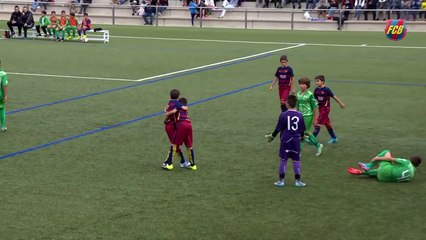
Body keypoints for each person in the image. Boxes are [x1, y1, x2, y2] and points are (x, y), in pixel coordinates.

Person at [265, 95, 306, 187]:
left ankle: (281, 180)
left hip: (285, 140)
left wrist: (272, 136)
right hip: (296, 141)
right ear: (296, 104)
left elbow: (278, 128)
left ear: (287, 103)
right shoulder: (300, 115)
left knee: (283, 160)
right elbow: (302, 129)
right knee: (296, 160)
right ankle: (298, 181)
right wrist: (302, 137)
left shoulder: (283, 114)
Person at [164, 97, 197, 170]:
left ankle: (169, 164)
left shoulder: (178, 107)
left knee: (174, 144)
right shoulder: (185, 109)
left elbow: (173, 111)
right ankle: (193, 165)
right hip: (189, 124)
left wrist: (167, 113)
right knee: (189, 145)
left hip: (181, 124)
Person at [348, 150, 422, 182]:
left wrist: (376, 158)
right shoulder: (412, 174)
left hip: (384, 171)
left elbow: (389, 158)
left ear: (410, 160)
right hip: (382, 179)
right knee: (385, 171)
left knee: (386, 152)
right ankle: (361, 172)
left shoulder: (407, 163)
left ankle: (368, 166)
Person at [313, 75, 345, 144]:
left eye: (318, 81)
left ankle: (312, 138)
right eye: (316, 81)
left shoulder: (326, 90)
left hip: (325, 108)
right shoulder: (316, 90)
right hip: (320, 108)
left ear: (323, 81)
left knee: (318, 123)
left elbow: (333, 96)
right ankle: (334, 138)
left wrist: (340, 103)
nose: (316, 82)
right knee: (327, 123)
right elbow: (314, 99)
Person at [163, 89, 189, 170]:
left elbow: (165, 109)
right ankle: (167, 162)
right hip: (171, 126)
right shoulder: (177, 104)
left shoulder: (170, 102)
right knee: (174, 144)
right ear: (178, 96)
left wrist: (168, 112)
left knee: (176, 144)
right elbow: (185, 108)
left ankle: (182, 161)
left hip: (170, 125)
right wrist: (173, 111)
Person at [296, 77, 323, 156]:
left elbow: (315, 107)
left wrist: (315, 119)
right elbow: (297, 106)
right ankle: (318, 145)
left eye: (303, 84)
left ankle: (299, 152)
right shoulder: (298, 94)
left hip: (308, 115)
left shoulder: (310, 95)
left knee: (305, 132)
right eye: (300, 84)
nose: (301, 85)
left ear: (307, 85)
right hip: (300, 115)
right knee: (302, 133)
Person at [0, 61, 9, 132]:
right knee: (1, 108)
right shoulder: (3, 74)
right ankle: (3, 126)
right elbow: (4, 85)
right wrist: (6, 95)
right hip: (0, 95)